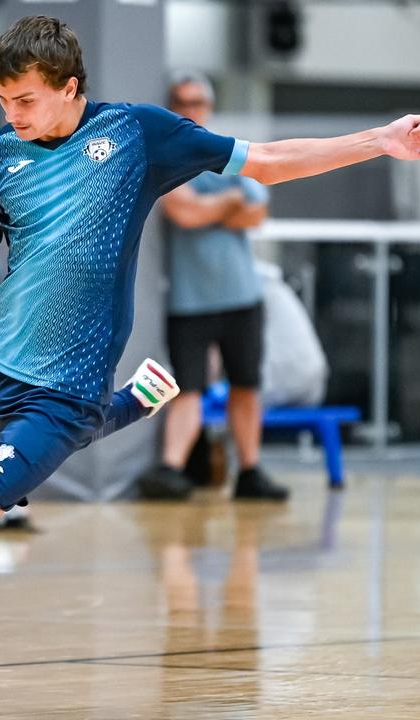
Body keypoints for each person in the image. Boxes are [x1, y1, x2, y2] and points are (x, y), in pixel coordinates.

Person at [0, 15, 420, 717]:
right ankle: (124, 406)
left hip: (65, 386)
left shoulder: (137, 135)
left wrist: (377, 141)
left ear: (69, 88)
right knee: (12, 476)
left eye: (25, 100)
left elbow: (269, 159)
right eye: (3, 101)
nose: (13, 115)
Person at [138, 71, 287, 502]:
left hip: (241, 294)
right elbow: (183, 212)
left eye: (198, 102)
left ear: (210, 105)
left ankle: (251, 470)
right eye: (182, 103)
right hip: (189, 298)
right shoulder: (168, 156)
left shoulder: (229, 151)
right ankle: (171, 468)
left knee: (246, 383)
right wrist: (229, 202)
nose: (191, 110)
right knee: (188, 386)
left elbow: (255, 215)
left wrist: (212, 207)